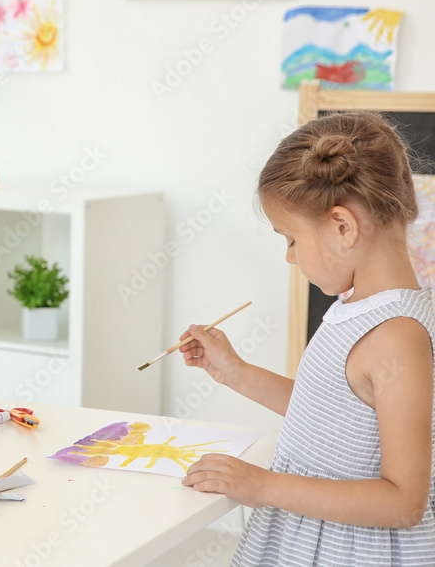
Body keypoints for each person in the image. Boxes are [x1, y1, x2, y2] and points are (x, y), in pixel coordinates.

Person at [180, 112, 435, 565]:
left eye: (292, 239)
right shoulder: (359, 309)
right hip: (308, 538)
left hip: (349, 551)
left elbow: (404, 502)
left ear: (343, 227)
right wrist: (235, 372)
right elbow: (333, 416)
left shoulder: (397, 336)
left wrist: (262, 485)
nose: (289, 257)